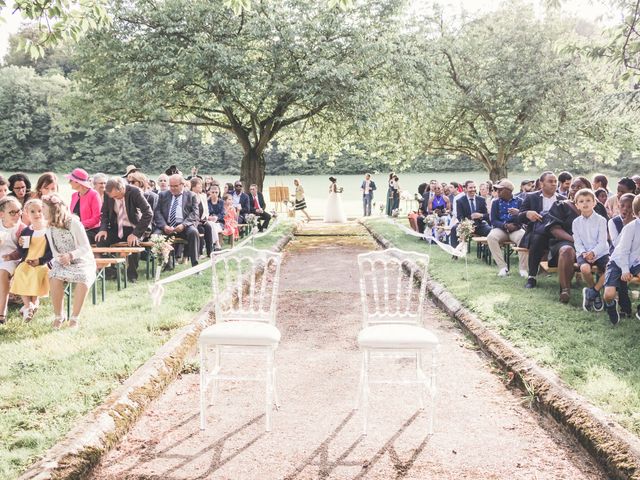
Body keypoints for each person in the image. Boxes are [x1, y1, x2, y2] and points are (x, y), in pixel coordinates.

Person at [544, 177, 607, 304]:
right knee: (567, 249)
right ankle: (565, 289)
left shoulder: (599, 209)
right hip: (566, 240)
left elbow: (605, 233)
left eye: (580, 187)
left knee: (608, 264)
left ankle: (595, 291)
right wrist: (574, 240)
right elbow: (554, 229)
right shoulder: (561, 205)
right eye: (573, 186)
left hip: (595, 245)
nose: (575, 189)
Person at [43, 193, 96, 329]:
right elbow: (54, 250)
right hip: (62, 261)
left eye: (43, 207)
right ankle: (59, 316)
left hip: (82, 261)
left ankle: (74, 318)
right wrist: (61, 259)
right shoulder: (49, 226)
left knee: (83, 278)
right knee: (54, 277)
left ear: (53, 210)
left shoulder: (73, 223)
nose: (41, 211)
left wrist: (71, 256)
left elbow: (85, 247)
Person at [95, 177, 153, 282]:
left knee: (133, 242)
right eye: (112, 197)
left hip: (134, 227)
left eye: (116, 196)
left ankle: (132, 276)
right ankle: (111, 272)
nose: (115, 198)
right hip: (117, 227)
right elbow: (104, 214)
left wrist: (136, 233)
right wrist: (103, 229)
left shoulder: (135, 192)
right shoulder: (109, 195)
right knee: (101, 240)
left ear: (122, 188)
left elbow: (148, 213)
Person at [518, 171, 564, 289]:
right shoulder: (531, 197)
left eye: (555, 182)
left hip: (557, 234)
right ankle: (532, 277)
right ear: (542, 184)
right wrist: (527, 213)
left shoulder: (563, 199)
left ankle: (565, 281)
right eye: (550, 181)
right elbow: (518, 217)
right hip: (537, 232)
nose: (554, 184)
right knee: (537, 239)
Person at [9, 199, 51, 321]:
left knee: (37, 274)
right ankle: (28, 305)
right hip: (27, 261)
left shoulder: (48, 230)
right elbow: (23, 252)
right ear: (26, 213)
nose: (37, 214)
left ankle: (31, 306)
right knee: (20, 271)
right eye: (33, 211)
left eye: (40, 211)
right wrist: (21, 245)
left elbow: (52, 252)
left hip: (43, 262)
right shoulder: (27, 231)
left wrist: (41, 261)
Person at [603, 195, 640, 325]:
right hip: (618, 262)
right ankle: (610, 305)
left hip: (636, 262)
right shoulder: (630, 227)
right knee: (609, 294)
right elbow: (623, 251)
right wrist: (625, 270)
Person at [572, 189, 609, 312]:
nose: (585, 203)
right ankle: (594, 291)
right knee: (584, 268)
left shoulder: (601, 220)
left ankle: (593, 291)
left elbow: (603, 242)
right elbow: (577, 242)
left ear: (594, 203)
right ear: (577, 205)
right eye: (581, 201)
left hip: (600, 252)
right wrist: (583, 253)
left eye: (588, 200)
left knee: (610, 269)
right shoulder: (576, 222)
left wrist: (593, 252)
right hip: (583, 252)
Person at [154, 174, 201, 267]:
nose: (172, 188)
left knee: (194, 232)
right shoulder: (163, 195)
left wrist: (184, 225)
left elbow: (195, 214)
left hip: (184, 226)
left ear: (182, 184)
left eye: (175, 186)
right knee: (156, 235)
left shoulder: (191, 196)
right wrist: (164, 226)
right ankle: (166, 264)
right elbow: (157, 212)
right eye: (171, 186)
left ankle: (195, 265)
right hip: (167, 225)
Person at [487, 179, 527, 277]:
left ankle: (523, 269)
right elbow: (493, 220)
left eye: (501, 190)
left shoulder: (520, 201)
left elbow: (524, 219)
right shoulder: (495, 202)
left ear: (508, 191)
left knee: (523, 236)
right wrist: (504, 225)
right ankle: (502, 268)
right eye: (497, 190)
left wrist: (516, 222)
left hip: (515, 229)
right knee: (491, 237)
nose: (498, 192)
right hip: (501, 229)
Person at [0, 197, 25, 325]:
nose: (17, 215)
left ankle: (1, 313)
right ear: (1, 214)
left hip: (12, 259)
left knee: (3, 273)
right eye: (12, 212)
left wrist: (21, 246)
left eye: (19, 211)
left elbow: (25, 252)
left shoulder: (22, 229)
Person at [450, 180, 491, 249]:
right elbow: (460, 216)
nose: (473, 189)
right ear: (465, 189)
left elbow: (486, 215)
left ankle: (486, 253)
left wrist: (480, 215)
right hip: (466, 224)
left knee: (491, 231)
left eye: (474, 187)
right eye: (471, 188)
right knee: (454, 229)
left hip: (479, 225)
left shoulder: (481, 200)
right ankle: (455, 252)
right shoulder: (460, 201)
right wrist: (468, 222)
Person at [67, 168, 102, 244]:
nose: (69, 182)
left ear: (77, 182)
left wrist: (79, 225)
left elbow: (96, 219)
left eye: (70, 180)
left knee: (72, 240)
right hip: (77, 229)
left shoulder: (94, 194)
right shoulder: (74, 195)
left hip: (92, 231)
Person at [190, 176, 216, 256]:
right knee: (201, 229)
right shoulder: (190, 196)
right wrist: (198, 221)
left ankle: (210, 252)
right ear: (193, 186)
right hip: (194, 221)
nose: (201, 186)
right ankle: (199, 252)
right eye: (199, 185)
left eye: (201, 185)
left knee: (208, 227)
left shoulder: (203, 196)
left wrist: (205, 219)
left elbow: (206, 209)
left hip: (202, 220)